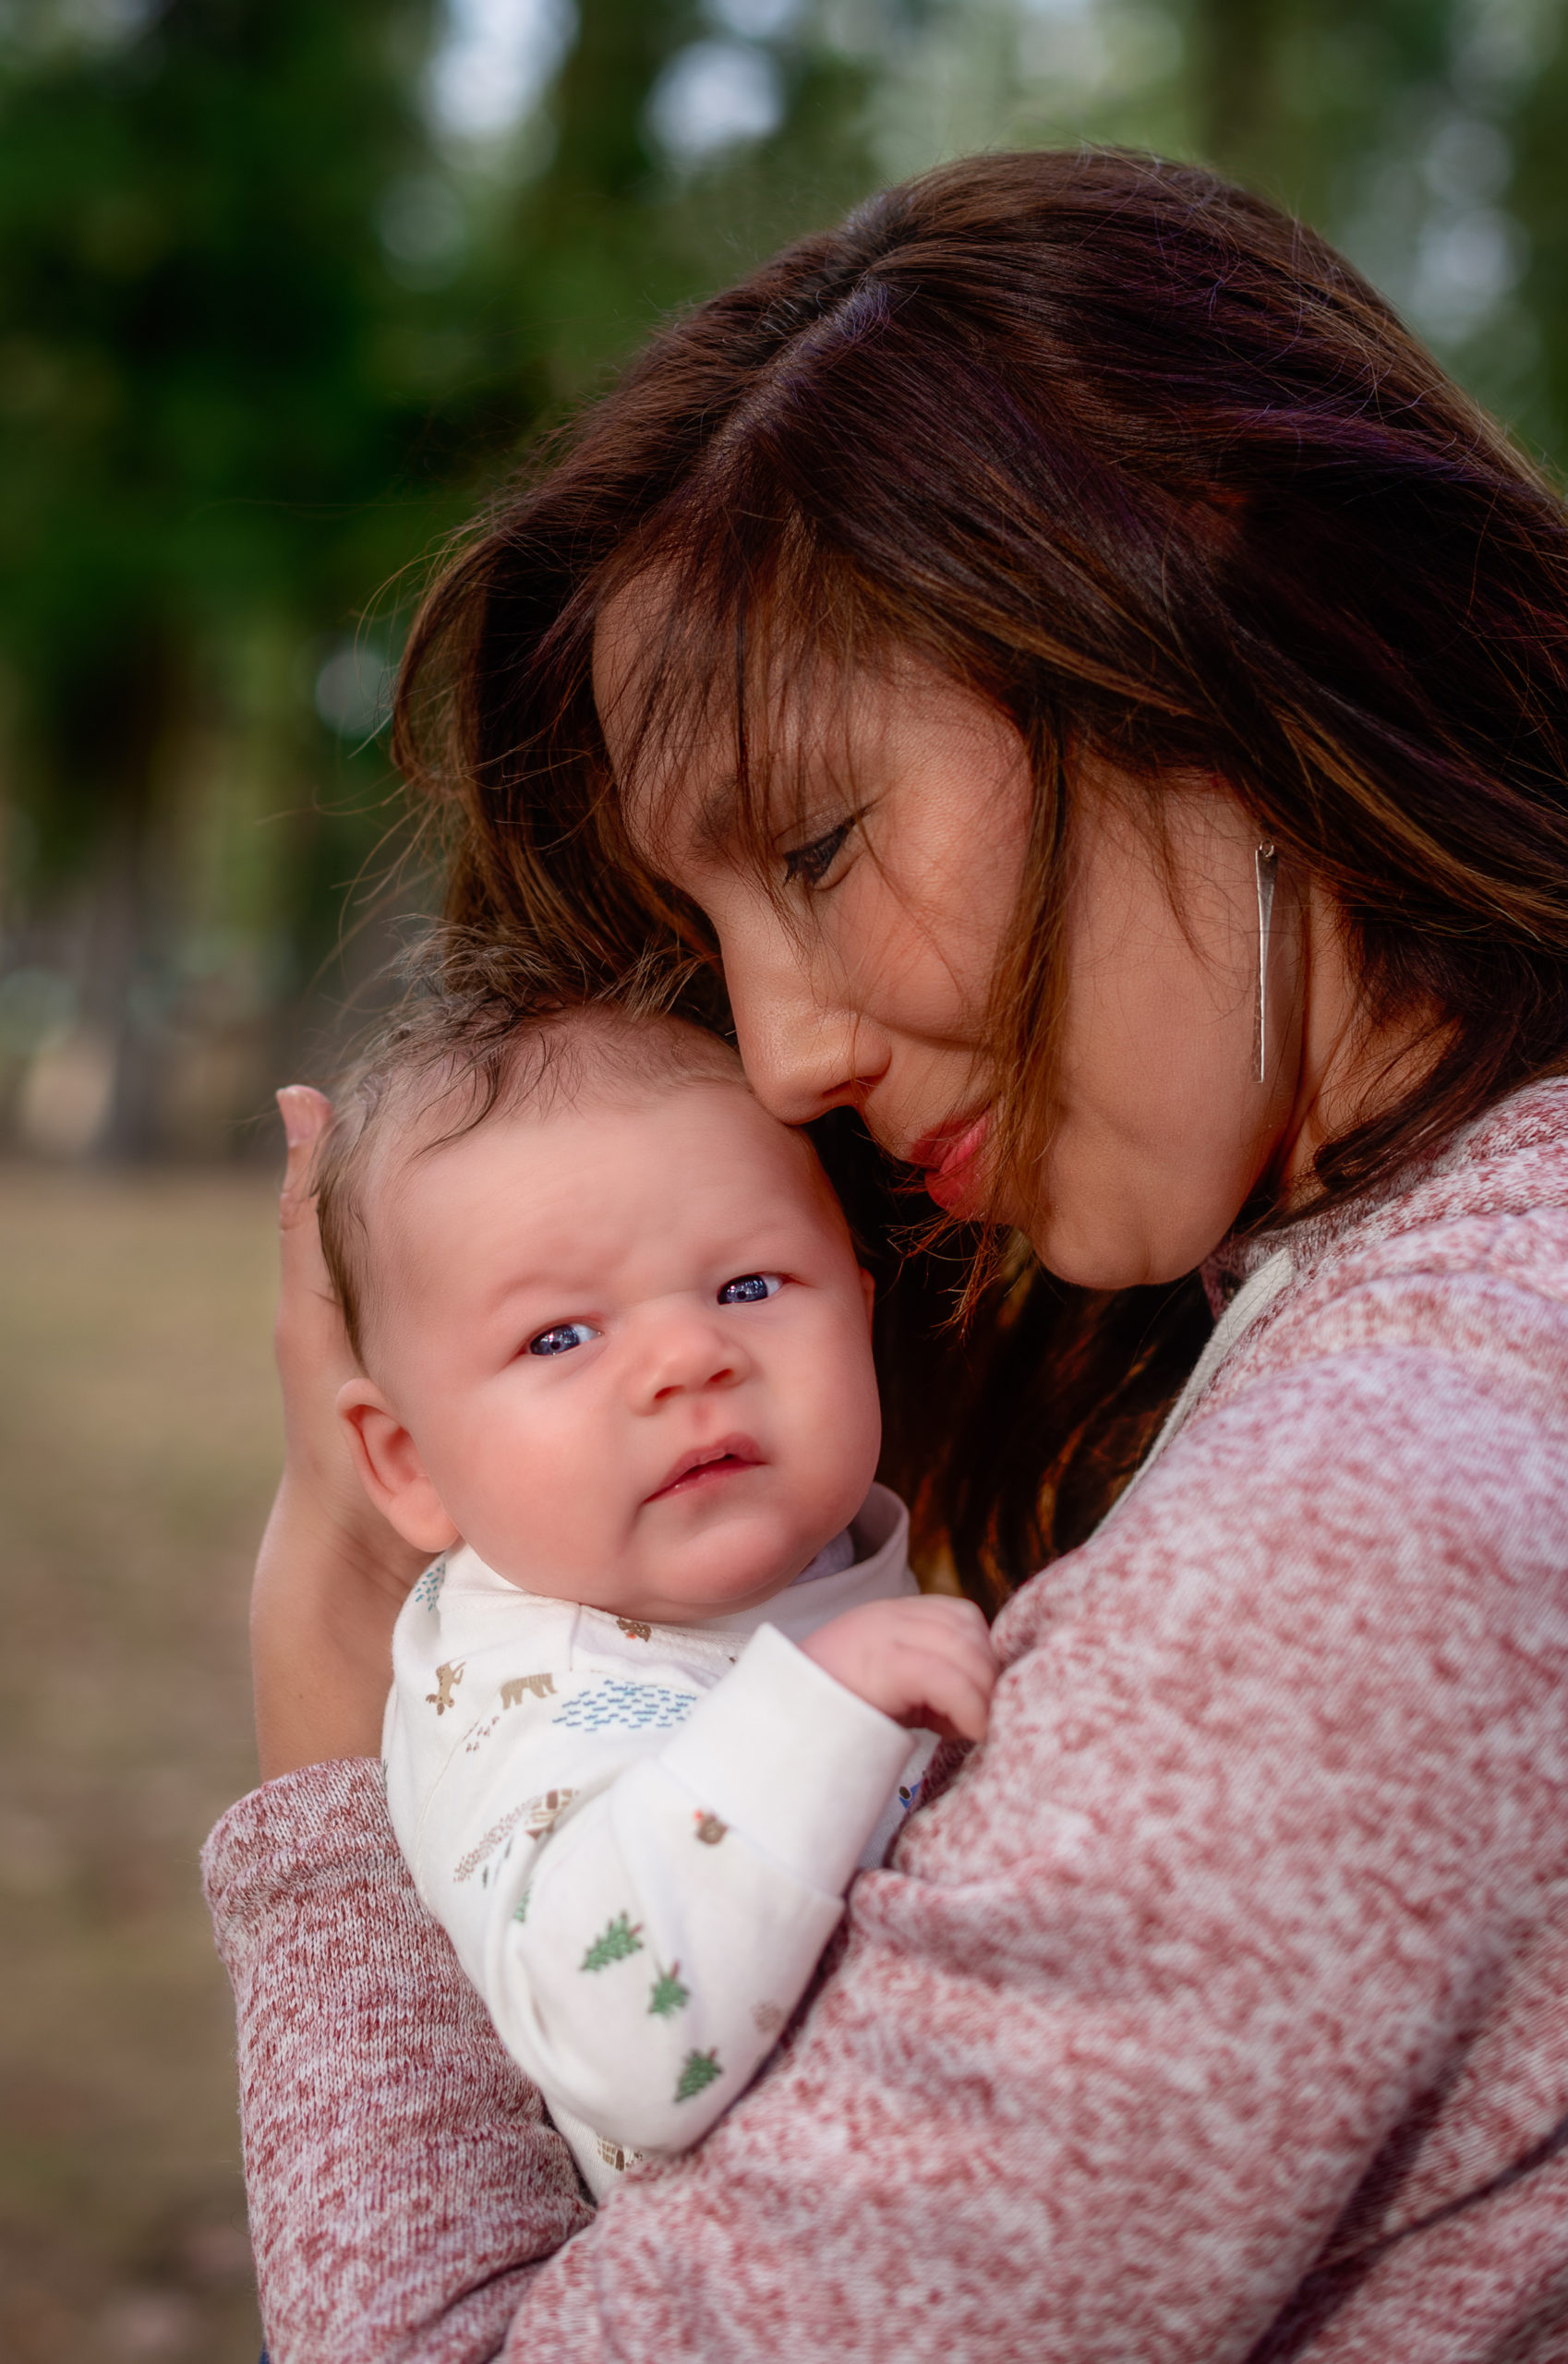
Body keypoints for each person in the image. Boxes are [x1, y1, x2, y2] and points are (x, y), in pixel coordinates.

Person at [206, 149, 1568, 2360]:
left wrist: (328, 1725)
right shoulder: (1427, 1301)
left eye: (823, 841)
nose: (786, 1052)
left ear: (1203, 593)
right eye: (713, 939)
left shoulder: (1365, 1550)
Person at [314, 963, 990, 2198]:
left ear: (859, 1311)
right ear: (410, 1465)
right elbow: (620, 2042)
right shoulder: (537, 1698)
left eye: (748, 1287)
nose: (689, 1356)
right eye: (559, 1337)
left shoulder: (816, 1572)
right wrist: (821, 1709)